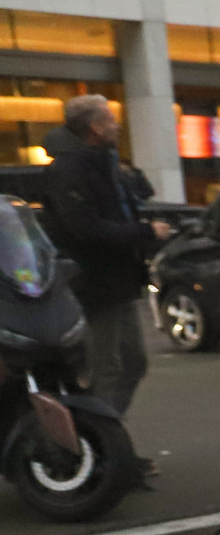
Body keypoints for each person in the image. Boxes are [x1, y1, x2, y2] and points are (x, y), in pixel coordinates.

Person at [41, 94, 170, 449]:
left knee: (133, 363)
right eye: (111, 120)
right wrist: (144, 233)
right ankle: (101, 451)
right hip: (94, 284)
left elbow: (132, 201)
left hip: (120, 282)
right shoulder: (70, 170)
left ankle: (107, 442)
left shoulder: (103, 164)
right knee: (105, 370)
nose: (117, 125)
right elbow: (85, 228)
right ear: (94, 127)